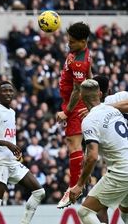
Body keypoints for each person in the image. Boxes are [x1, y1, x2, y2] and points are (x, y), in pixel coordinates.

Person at [0, 81, 45, 224]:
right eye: (4, 91)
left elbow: (8, 134)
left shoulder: (12, 112)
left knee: (39, 192)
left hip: (12, 161)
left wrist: (14, 148)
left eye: (10, 90)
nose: (8, 93)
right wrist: (7, 144)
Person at [69, 79, 128, 224]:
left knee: (84, 212)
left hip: (121, 171)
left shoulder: (89, 120)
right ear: (100, 94)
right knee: (126, 211)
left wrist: (79, 185)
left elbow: (93, 156)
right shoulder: (114, 110)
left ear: (81, 98)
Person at [56, 22, 92, 208]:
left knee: (74, 145)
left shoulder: (80, 61)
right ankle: (80, 183)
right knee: (76, 145)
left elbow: (78, 89)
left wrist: (67, 112)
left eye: (72, 42)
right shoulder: (79, 53)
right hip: (72, 102)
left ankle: (73, 189)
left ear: (83, 41)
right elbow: (90, 77)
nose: (68, 44)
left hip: (75, 105)